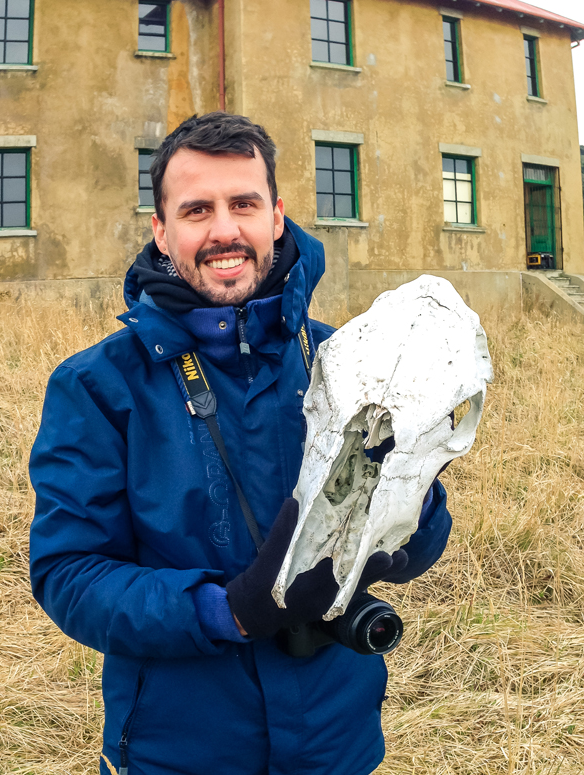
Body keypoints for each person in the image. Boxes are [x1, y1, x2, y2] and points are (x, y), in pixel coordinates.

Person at [29, 112, 452, 775]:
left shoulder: (353, 361)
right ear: (161, 231)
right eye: (197, 209)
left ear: (276, 217)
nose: (224, 229)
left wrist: (413, 497)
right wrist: (224, 610)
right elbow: (69, 574)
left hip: (338, 745)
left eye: (244, 204)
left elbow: (419, 544)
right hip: (180, 751)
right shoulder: (98, 385)